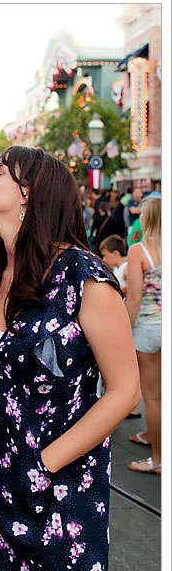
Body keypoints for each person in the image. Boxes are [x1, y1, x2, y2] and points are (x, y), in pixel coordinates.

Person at [0, 146, 139, 571]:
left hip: (60, 495)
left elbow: (124, 391)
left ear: (28, 193)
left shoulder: (85, 277)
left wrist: (48, 461)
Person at [124, 196, 161, 474]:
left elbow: (134, 298)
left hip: (148, 330)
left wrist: (123, 331)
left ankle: (158, 460)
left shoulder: (139, 250)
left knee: (154, 398)